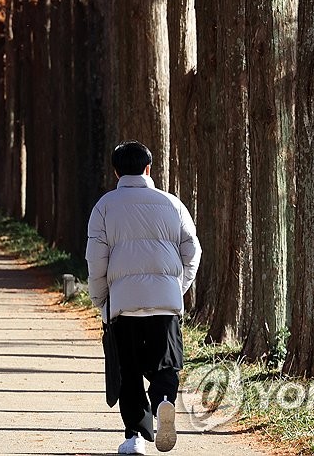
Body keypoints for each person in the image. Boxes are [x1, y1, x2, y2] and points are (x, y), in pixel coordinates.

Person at [87, 141, 201, 455]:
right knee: (165, 365)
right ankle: (164, 401)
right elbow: (192, 252)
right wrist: (176, 289)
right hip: (165, 303)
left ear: (116, 171)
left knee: (129, 369)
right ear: (148, 168)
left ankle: (135, 437)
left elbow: (96, 260)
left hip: (123, 304)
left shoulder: (105, 206)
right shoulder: (172, 203)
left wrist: (101, 301)